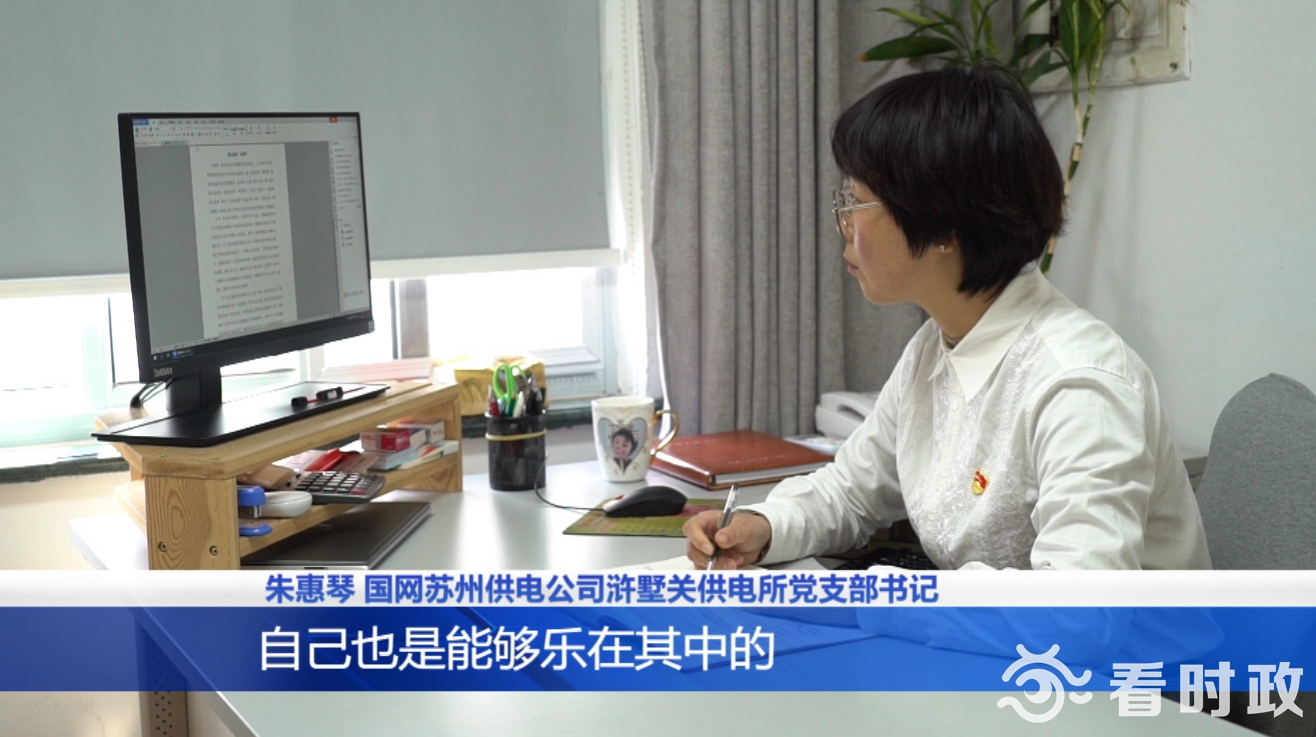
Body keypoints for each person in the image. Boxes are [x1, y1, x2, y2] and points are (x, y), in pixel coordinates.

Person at [685, 61, 1211, 571]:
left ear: (943, 227)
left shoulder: (1078, 384)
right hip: (978, 632)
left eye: (856, 203)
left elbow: (1077, 609)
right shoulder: (934, 349)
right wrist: (764, 526)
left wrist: (898, 598)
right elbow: (850, 491)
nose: (844, 225)